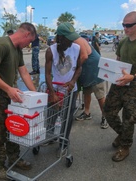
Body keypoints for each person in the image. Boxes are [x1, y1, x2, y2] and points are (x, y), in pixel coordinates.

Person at [0, 22, 37, 180]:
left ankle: (14, 158)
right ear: (26, 34)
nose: (28, 45)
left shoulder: (17, 49)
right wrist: (8, 89)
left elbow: (24, 72)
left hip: (10, 95)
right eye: (29, 41)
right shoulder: (2, 45)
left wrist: (36, 95)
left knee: (13, 128)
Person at [103, 11, 136, 162]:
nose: (125, 28)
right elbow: (118, 61)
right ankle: (123, 134)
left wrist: (133, 77)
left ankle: (125, 146)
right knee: (108, 111)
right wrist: (110, 72)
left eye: (129, 25)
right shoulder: (123, 42)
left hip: (134, 85)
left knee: (129, 119)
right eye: (123, 25)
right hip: (119, 83)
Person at [45, 22, 81, 157]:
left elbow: (79, 68)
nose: (72, 41)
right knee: (52, 114)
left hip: (71, 91)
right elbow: (47, 74)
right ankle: (50, 137)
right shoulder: (51, 51)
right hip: (55, 89)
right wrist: (52, 93)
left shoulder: (77, 48)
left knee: (67, 117)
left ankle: (63, 143)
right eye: (68, 38)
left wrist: (72, 82)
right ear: (60, 38)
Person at [74, 36, 108, 129]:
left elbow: (84, 56)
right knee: (87, 92)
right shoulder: (75, 41)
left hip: (94, 70)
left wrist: (75, 67)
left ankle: (105, 117)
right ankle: (87, 113)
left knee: (100, 95)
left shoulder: (78, 41)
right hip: (87, 71)